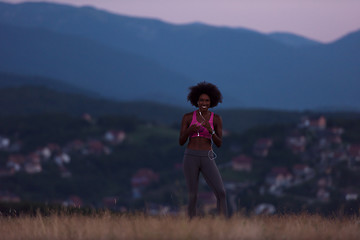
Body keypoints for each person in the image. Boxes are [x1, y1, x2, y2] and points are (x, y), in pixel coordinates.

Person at [179, 81, 227, 218]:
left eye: (207, 100)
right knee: (193, 195)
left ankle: (224, 224)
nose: (204, 103)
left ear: (212, 102)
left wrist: (211, 131)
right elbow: (181, 141)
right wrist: (189, 130)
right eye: (201, 100)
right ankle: (191, 225)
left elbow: (219, 143)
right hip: (190, 156)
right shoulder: (188, 117)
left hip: (207, 156)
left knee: (221, 192)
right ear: (196, 101)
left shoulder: (216, 119)